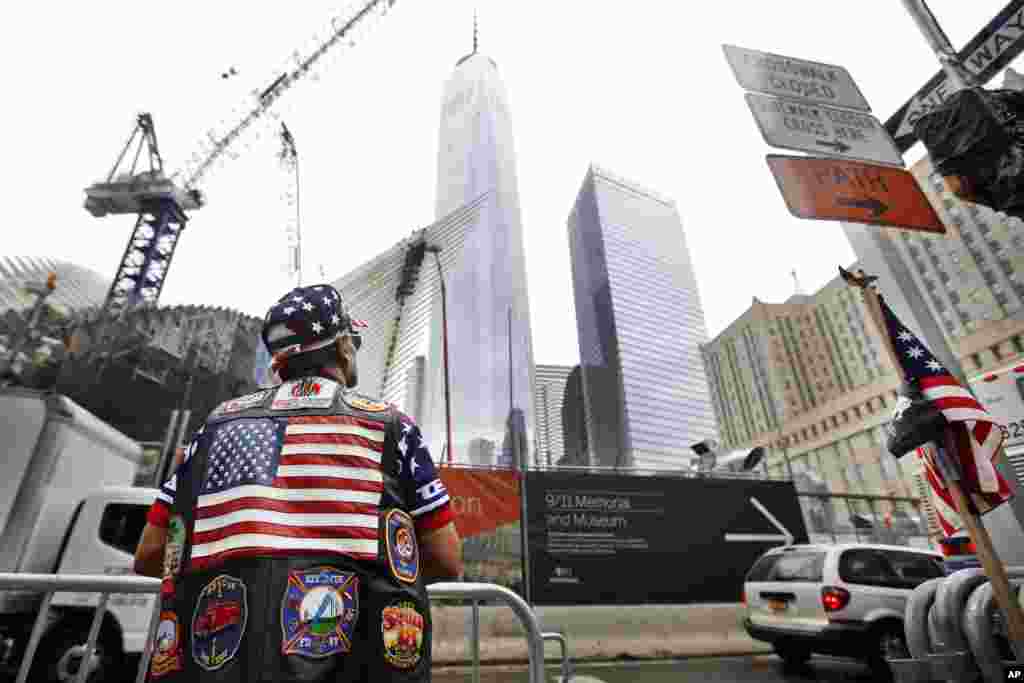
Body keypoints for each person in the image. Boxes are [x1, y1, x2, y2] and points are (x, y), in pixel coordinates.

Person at [134, 283, 462, 682]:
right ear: (342, 346)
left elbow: (150, 553)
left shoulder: (215, 427)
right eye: (353, 340)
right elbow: (445, 558)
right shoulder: (391, 428)